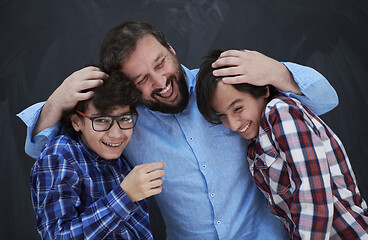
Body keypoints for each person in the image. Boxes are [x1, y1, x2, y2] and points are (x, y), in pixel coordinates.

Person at [18, 20, 339, 239]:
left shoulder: (221, 85)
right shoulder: (126, 121)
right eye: (142, 80)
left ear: (171, 48)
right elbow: (39, 148)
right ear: (126, 87)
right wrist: (56, 101)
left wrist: (274, 70)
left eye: (160, 63)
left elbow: (326, 98)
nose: (160, 82)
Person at [195, 49, 368, 239]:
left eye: (238, 108)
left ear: (264, 90)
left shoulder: (280, 112)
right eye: (222, 116)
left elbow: (313, 196)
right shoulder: (255, 147)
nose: (234, 124)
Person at [29, 70, 166, 239]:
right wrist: (125, 196)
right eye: (101, 121)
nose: (116, 134)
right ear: (76, 122)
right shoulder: (60, 155)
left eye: (124, 119)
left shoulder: (119, 158)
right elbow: (57, 236)